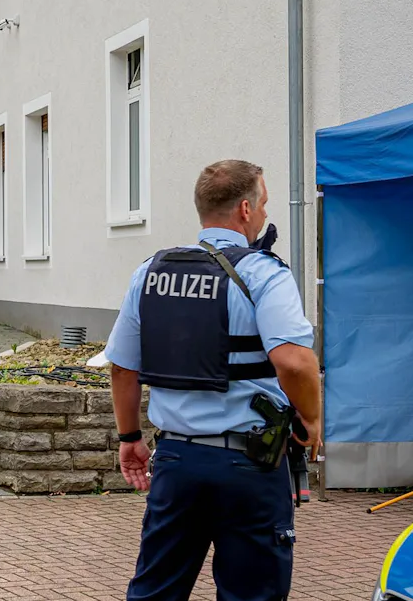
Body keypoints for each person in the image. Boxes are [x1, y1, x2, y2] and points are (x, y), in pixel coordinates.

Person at [106, 160, 324, 601]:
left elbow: (122, 367)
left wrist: (129, 436)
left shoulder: (150, 273)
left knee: (155, 592)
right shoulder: (264, 273)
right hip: (249, 467)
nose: (264, 213)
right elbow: (295, 364)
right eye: (263, 203)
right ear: (245, 209)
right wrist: (313, 420)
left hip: (176, 463)